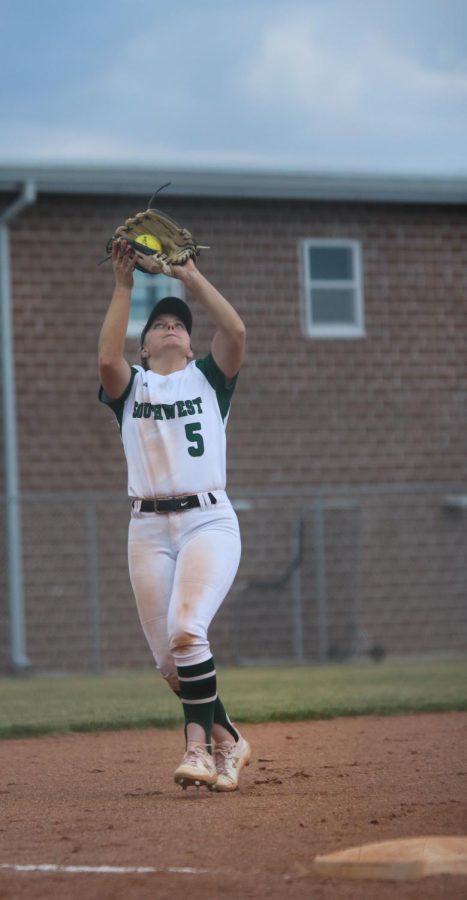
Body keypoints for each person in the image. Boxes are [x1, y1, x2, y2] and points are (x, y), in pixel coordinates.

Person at [98, 240, 250, 791]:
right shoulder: (131, 388)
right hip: (147, 529)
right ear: (144, 349)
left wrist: (191, 280)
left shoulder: (208, 380)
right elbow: (105, 361)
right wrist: (123, 287)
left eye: (179, 325)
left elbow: (234, 333)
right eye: (159, 324)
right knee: (170, 661)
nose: (170, 327)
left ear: (190, 347)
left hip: (208, 521)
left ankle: (199, 749)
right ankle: (229, 739)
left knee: (188, 630)